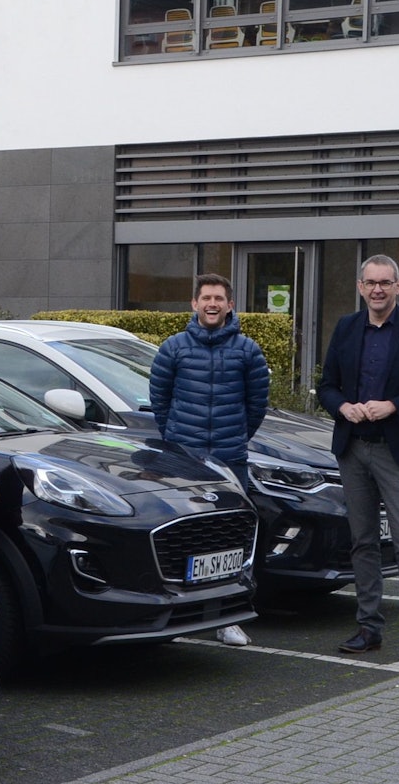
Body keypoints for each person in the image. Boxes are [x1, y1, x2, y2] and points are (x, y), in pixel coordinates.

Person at [317, 254, 399, 668]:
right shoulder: (346, 327)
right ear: (360, 287)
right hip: (354, 447)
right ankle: (368, 628)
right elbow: (327, 386)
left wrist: (393, 404)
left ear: (397, 287)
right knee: (362, 542)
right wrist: (343, 408)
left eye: (384, 283)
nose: (377, 289)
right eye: (370, 282)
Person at [148, 273, 269, 647]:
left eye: (219, 298)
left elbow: (256, 404)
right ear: (194, 304)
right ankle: (175, 617)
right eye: (206, 298)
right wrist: (177, 440)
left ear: (230, 305)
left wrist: (234, 437)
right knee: (183, 539)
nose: (212, 304)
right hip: (184, 462)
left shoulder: (248, 350)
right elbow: (159, 399)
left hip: (230, 459)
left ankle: (227, 619)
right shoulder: (173, 348)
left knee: (231, 541)